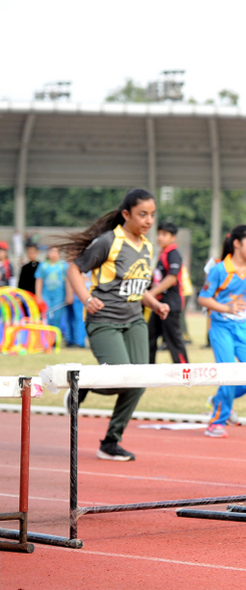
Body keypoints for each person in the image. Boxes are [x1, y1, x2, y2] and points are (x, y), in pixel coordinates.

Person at [63, 188, 169, 461]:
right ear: (126, 214)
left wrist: (154, 304)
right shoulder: (108, 242)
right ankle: (83, 385)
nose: (148, 221)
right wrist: (86, 299)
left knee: (140, 380)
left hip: (134, 319)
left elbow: (135, 285)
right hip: (104, 320)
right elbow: (74, 268)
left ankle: (111, 441)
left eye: (152, 215)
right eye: (142, 214)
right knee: (119, 381)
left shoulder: (146, 246)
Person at [198, 226, 246, 438]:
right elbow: (203, 298)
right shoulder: (219, 270)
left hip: (241, 328)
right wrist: (227, 308)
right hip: (220, 328)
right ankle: (216, 422)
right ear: (237, 243)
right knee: (228, 375)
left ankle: (220, 399)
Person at [147, 221, 189, 365]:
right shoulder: (162, 254)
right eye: (159, 234)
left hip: (170, 304)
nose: (160, 237)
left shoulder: (173, 254)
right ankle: (147, 369)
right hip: (159, 304)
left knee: (174, 340)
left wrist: (150, 294)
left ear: (173, 237)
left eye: (164, 234)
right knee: (149, 337)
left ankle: (185, 371)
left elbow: (172, 278)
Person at [36, 245, 70, 338]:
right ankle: (45, 338)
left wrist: (68, 295)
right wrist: (38, 296)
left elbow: (67, 281)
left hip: (59, 295)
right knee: (45, 316)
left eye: (56, 252)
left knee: (57, 317)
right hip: (46, 295)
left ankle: (56, 339)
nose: (53, 254)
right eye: (52, 251)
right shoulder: (43, 265)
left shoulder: (63, 266)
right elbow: (39, 280)